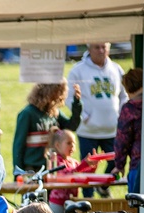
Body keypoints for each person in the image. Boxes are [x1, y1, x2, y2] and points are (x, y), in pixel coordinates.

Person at [66, 43, 128, 198]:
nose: (101, 51)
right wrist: (84, 116)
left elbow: (124, 95)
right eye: (97, 47)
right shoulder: (78, 70)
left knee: (116, 161)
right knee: (87, 166)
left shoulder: (116, 69)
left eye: (104, 47)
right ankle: (89, 198)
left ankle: (104, 186)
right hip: (88, 130)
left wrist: (121, 115)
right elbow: (69, 97)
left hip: (112, 129)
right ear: (89, 49)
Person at [12, 80, 81, 172]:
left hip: (52, 166)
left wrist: (77, 104)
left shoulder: (54, 113)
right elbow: (18, 145)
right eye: (58, 91)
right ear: (47, 91)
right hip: (33, 167)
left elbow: (71, 127)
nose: (60, 96)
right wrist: (18, 172)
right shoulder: (28, 114)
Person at [47, 129, 96, 213]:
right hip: (58, 203)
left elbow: (83, 175)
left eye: (74, 143)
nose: (72, 146)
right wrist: (83, 165)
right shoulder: (57, 160)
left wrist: (92, 166)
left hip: (71, 202)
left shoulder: (73, 162)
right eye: (68, 143)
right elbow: (66, 174)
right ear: (58, 145)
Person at [112, 68, 142, 195]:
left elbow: (122, 140)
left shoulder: (130, 109)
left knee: (137, 208)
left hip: (139, 165)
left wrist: (119, 165)